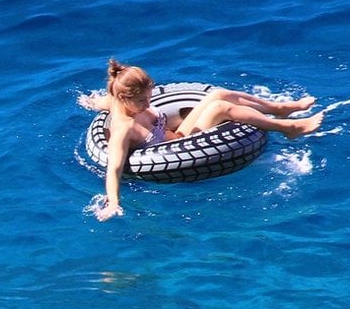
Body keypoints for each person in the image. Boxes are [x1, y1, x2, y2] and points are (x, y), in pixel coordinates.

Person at [78, 59, 322, 221]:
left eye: (149, 97)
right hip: (173, 148)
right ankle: (288, 128)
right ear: (124, 98)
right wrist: (113, 202)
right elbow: (114, 168)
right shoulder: (124, 128)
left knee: (218, 94)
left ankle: (280, 108)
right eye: (142, 101)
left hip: (180, 133)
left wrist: (87, 102)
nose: (148, 104)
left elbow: (99, 101)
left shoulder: (115, 99)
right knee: (220, 108)